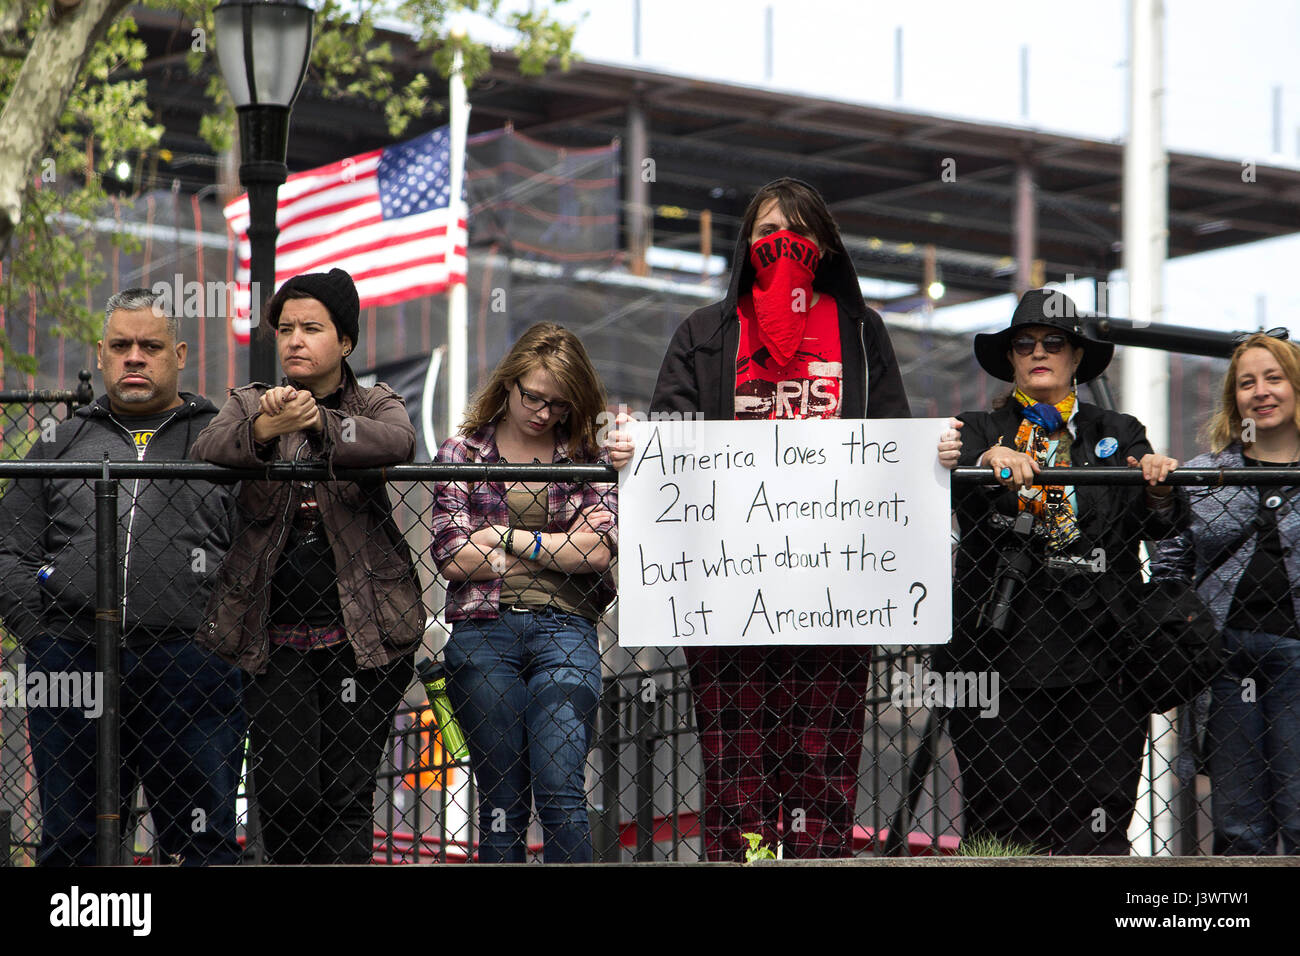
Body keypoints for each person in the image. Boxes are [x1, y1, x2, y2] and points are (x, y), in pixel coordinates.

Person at [646, 177, 911, 860]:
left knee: (822, 764)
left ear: (822, 248)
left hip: (834, 589)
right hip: (729, 592)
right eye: (766, 234)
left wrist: (930, 453)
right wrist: (636, 444)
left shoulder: (860, 331)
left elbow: (893, 438)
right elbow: (669, 438)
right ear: (745, 244)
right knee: (736, 769)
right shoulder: (705, 334)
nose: (780, 247)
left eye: (795, 234)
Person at [0, 288, 244, 866]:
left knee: (198, 845)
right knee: (73, 841)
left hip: (191, 667)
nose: (135, 356)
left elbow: (254, 555)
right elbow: (8, 546)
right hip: (72, 662)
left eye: (151, 345)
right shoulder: (61, 442)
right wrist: (41, 635)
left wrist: (222, 638)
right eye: (121, 345)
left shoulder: (219, 442)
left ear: (179, 354)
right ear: (103, 355)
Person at [192, 268, 422, 864]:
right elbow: (209, 450)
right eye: (285, 328)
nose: (294, 340)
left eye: (311, 328)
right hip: (274, 636)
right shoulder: (251, 401)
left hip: (363, 634)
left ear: (344, 342)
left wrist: (320, 422)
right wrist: (268, 427)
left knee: (346, 793)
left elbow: (397, 443)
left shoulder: (374, 401)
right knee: (286, 789)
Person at [942, 287, 1182, 854]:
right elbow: (940, 484)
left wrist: (1157, 489)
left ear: (1077, 357)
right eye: (1023, 344)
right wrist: (984, 461)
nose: (1038, 351)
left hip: (1103, 656)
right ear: (1010, 359)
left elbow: (1159, 529)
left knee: (1097, 824)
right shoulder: (976, 430)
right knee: (1001, 826)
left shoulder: (1118, 430)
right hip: (1000, 657)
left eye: (1055, 342)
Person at [430, 322, 618, 863]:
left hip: (566, 630)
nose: (542, 412)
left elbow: (597, 552)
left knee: (560, 787)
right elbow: (451, 555)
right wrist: (554, 550)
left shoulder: (586, 453)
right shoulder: (461, 452)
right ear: (508, 383)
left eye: (557, 404)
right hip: (482, 631)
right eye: (532, 396)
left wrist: (506, 538)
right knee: (501, 799)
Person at [1150, 332, 1300, 854]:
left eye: (1274, 378)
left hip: (1298, 660)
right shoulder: (1203, 474)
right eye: (1246, 383)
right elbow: (1170, 559)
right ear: (1233, 400)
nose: (1261, 392)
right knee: (1239, 830)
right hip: (1225, 659)